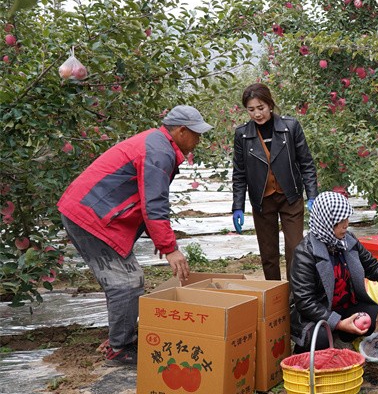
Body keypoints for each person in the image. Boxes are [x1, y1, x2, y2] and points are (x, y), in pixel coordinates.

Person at [58, 105, 213, 366]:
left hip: (92, 212)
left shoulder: (157, 143)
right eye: (196, 134)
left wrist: (158, 237)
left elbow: (142, 198)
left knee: (126, 280)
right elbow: (154, 203)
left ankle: (119, 337)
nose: (198, 140)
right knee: (126, 282)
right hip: (91, 216)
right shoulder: (159, 151)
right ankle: (120, 348)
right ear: (182, 131)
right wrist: (169, 247)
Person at [289, 191, 378, 353]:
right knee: (321, 337)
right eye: (340, 221)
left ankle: (342, 340)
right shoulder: (305, 253)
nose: (346, 224)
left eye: (347, 219)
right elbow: (305, 302)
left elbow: (371, 266)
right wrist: (338, 323)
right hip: (317, 314)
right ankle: (312, 348)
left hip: (346, 306)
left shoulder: (347, 241)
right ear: (325, 222)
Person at [231, 83, 318, 282]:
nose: (257, 114)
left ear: (270, 105)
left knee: (296, 250)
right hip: (262, 200)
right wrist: (238, 206)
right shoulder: (243, 135)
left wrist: (312, 195)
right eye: (251, 110)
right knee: (268, 253)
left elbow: (306, 163)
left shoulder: (290, 127)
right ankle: (274, 298)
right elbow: (239, 173)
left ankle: (296, 298)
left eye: (260, 108)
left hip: (290, 197)